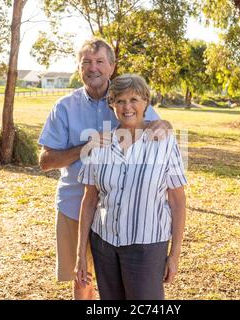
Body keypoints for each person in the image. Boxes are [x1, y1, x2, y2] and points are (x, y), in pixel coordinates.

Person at [38, 39, 171, 300]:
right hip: (75, 205)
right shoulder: (64, 107)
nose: (93, 68)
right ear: (79, 68)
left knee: (119, 286)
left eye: (99, 61)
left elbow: (158, 128)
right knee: (82, 280)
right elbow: (45, 161)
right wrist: (88, 146)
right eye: (86, 62)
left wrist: (165, 124)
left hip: (120, 213)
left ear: (111, 66)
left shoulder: (126, 96)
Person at [75, 74, 187, 300]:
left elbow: (177, 201)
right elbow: (89, 201)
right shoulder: (98, 143)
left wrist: (174, 255)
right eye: (120, 100)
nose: (127, 107)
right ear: (112, 104)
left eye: (134, 99)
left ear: (146, 102)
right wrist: (80, 255)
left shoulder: (164, 141)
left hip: (147, 245)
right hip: (104, 243)